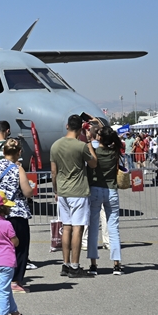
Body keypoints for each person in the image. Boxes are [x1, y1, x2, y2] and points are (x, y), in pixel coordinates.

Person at [0, 138, 35, 291]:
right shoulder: (17, 168)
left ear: (3, 151)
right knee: (19, 247)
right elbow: (27, 192)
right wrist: (30, 188)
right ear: (19, 152)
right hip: (15, 211)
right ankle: (15, 281)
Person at [50, 116, 93, 278]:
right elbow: (93, 163)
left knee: (66, 227)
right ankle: (75, 266)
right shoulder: (80, 146)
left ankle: (65, 263)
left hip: (63, 190)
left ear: (67, 126)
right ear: (81, 129)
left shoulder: (56, 145)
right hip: (78, 190)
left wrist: (55, 189)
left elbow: (53, 172)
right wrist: (88, 142)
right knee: (78, 228)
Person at [85, 127, 124, 276]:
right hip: (111, 190)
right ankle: (116, 263)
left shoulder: (94, 151)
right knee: (113, 228)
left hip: (95, 188)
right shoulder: (114, 151)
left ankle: (93, 264)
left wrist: (89, 139)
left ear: (99, 138)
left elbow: (91, 155)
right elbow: (108, 135)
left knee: (94, 227)